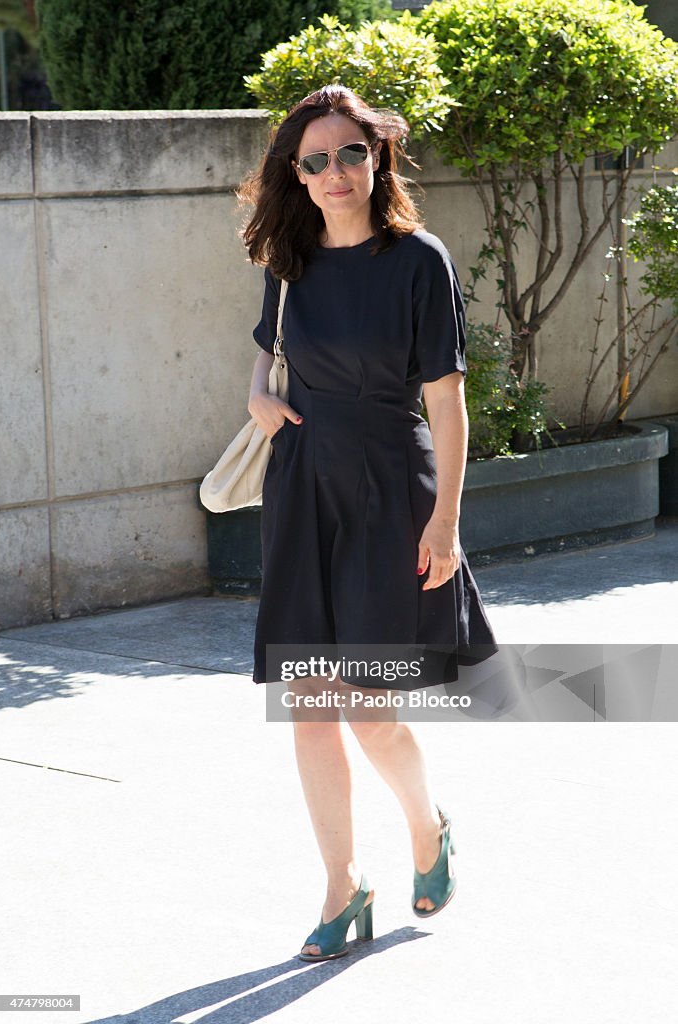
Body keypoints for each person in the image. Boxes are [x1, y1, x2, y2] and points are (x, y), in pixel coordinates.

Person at [239, 84, 498, 962]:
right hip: (305, 489)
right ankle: (341, 885)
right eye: (314, 160)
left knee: (365, 706)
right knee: (310, 707)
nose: (334, 171)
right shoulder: (288, 261)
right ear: (297, 176)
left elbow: (448, 404)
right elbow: (266, 365)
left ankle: (427, 828)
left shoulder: (417, 260)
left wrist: (446, 522)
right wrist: (258, 400)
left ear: (376, 156)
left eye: (350, 152)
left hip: (394, 492)